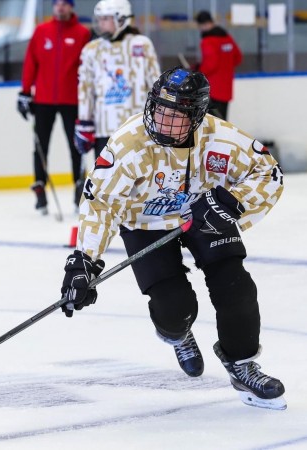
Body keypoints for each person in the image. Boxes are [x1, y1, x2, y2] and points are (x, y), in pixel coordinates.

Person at [60, 67, 286, 410]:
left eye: (177, 115)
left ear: (197, 117)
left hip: (206, 214)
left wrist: (230, 203)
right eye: (160, 111)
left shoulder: (220, 137)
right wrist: (83, 262)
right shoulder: (128, 144)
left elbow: (269, 172)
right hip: (146, 221)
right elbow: (101, 203)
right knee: (175, 309)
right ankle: (178, 333)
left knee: (236, 287)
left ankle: (242, 365)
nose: (164, 122)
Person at [17, 0, 91, 214]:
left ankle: (79, 189)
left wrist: (87, 97)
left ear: (71, 7)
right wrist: (25, 92)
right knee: (40, 146)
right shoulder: (42, 31)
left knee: (76, 147)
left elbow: (86, 68)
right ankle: (40, 188)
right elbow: (31, 62)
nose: (60, 7)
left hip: (72, 101)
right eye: (56, 3)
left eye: (65, 3)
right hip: (43, 101)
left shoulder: (82, 34)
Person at [75, 0, 161, 160]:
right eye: (99, 19)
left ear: (121, 19)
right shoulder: (91, 49)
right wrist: (84, 122)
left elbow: (156, 84)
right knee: (105, 179)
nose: (100, 23)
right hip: (104, 128)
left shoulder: (142, 44)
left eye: (105, 19)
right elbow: (86, 89)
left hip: (138, 127)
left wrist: (159, 117)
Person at [194, 10, 242, 120]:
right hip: (226, 88)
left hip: (213, 89)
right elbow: (238, 58)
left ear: (203, 25)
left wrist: (199, 72)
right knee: (223, 121)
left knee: (212, 123)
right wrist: (225, 65)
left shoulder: (208, 41)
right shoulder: (227, 37)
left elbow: (211, 64)